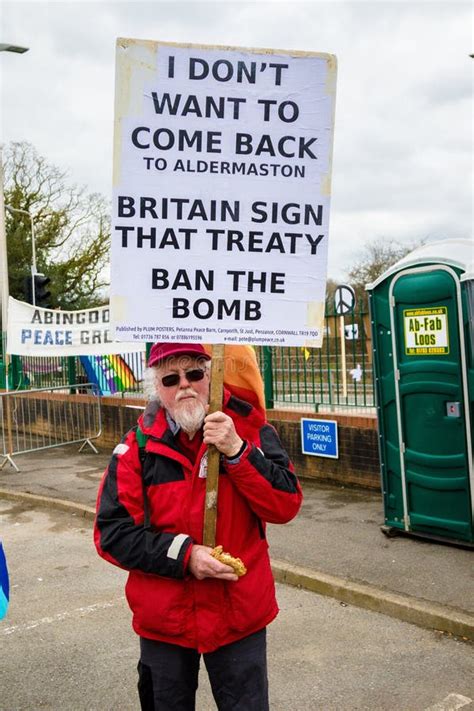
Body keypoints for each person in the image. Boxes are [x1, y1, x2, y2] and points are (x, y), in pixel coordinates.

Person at [94, 342, 302, 710]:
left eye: (194, 374)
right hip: (165, 620)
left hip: (238, 615)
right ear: (157, 389)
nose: (184, 386)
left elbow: (285, 505)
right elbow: (113, 535)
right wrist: (185, 556)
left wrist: (237, 450)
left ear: (213, 375)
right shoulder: (136, 449)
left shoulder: (252, 430)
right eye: (171, 378)